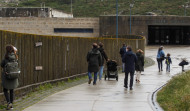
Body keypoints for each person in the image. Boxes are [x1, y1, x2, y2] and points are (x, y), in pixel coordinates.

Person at [1, 45, 19, 110]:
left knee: (5, 90)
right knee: (12, 90)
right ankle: (11, 104)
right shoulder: (15, 57)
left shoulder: (6, 58)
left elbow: (2, 64)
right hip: (14, 76)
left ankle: (9, 103)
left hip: (7, 76)